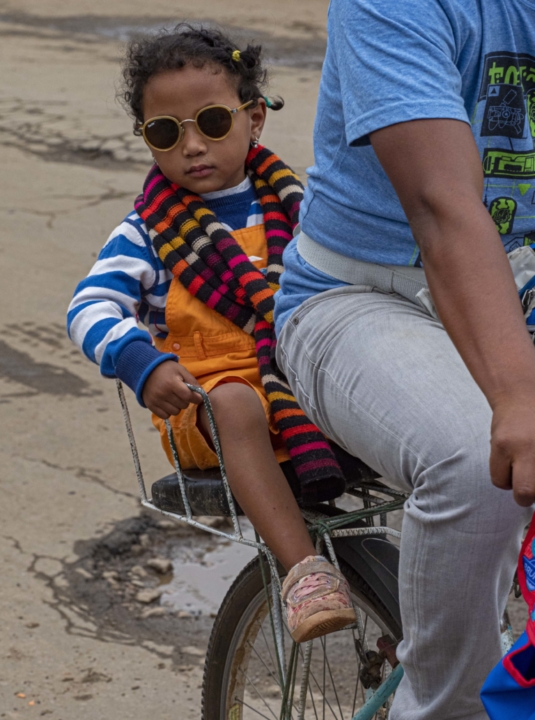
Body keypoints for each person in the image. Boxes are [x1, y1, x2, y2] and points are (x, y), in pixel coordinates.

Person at [273, 0, 535, 718]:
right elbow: (440, 204)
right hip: (356, 294)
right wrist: (518, 396)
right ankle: (442, 707)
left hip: (518, 289)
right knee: (474, 460)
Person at [67, 24, 356, 644]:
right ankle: (304, 572)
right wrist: (140, 362)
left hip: (297, 382)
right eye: (166, 133)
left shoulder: (303, 206)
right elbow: (90, 306)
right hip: (207, 409)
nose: (193, 146)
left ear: (255, 119)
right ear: (147, 138)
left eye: (213, 123)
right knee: (234, 402)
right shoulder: (145, 232)